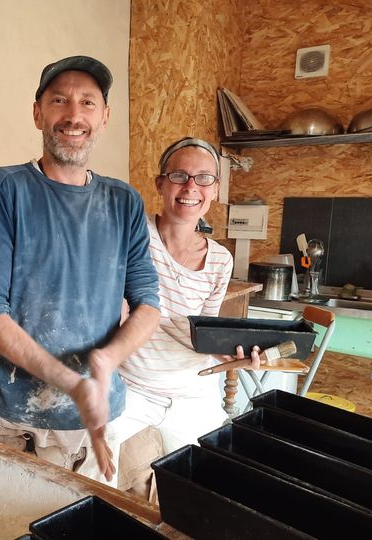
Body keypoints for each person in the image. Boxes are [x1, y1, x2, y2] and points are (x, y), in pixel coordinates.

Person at [0, 55, 161, 485]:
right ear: (38, 113)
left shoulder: (124, 201)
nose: (74, 115)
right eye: (59, 101)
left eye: (88, 103)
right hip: (15, 417)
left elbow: (148, 304)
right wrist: (72, 381)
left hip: (95, 422)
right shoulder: (4, 189)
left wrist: (106, 362)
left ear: (104, 117)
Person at [115, 137, 260, 494]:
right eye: (179, 175)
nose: (191, 187)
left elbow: (204, 332)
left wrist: (231, 354)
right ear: (160, 184)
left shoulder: (220, 261)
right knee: (97, 474)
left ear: (215, 190)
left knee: (207, 486)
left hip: (192, 391)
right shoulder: (130, 236)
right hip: (133, 388)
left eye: (204, 178)